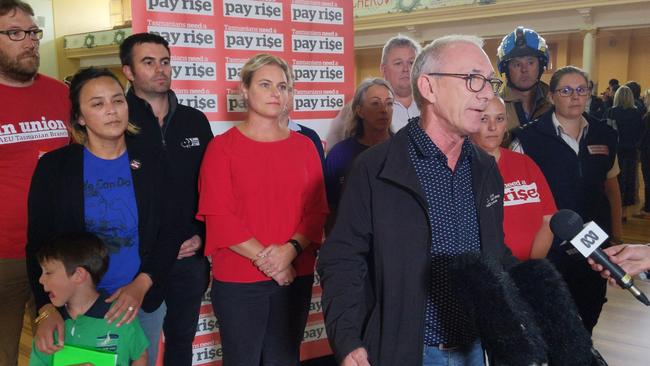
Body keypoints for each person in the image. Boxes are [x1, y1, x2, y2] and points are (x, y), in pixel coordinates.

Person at [318, 35, 516, 366]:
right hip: (408, 350)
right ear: (428, 87)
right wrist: (348, 338)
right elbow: (342, 260)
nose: (486, 93)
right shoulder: (374, 168)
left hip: (477, 348)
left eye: (491, 82)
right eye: (473, 79)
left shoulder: (485, 169)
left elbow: (496, 253)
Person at [26, 68, 179, 365]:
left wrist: (141, 285)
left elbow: (170, 231)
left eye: (117, 101)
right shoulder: (55, 167)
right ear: (80, 117)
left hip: (138, 302)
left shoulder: (153, 160)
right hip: (73, 305)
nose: (111, 111)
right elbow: (38, 245)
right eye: (97, 104)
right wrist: (45, 308)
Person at [196, 54, 328, 365]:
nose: (275, 93)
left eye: (282, 86)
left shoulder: (305, 146)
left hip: (295, 274)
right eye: (265, 84)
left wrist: (289, 252)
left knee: (284, 359)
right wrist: (273, 262)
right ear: (244, 90)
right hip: (240, 280)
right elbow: (219, 215)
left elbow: (316, 211)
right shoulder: (221, 148)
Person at [119, 32, 213, 366]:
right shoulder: (118, 121)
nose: (160, 69)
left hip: (189, 256)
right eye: (148, 62)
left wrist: (203, 237)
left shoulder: (194, 121)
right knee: (136, 351)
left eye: (165, 61)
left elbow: (211, 188)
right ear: (128, 71)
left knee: (181, 342)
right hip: (137, 260)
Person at [512, 65, 622, 335]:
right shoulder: (528, 138)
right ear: (551, 96)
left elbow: (611, 187)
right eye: (566, 90)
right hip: (548, 245)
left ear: (589, 94)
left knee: (589, 312)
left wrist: (616, 237)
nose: (575, 96)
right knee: (549, 319)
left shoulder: (604, 134)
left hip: (593, 243)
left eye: (581, 90)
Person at [0, 1, 70, 364]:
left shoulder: (62, 94)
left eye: (33, 32)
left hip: (60, 253)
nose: (29, 42)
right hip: (4, 256)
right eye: (15, 33)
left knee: (63, 353)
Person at [29, 232, 149, 366]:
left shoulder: (120, 315)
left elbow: (140, 355)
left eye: (48, 273)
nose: (40, 280)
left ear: (79, 275)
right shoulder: (49, 328)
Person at [470, 97, 556, 260]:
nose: (493, 127)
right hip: (485, 274)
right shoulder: (458, 170)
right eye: (483, 119)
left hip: (528, 273)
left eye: (499, 118)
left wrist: (531, 268)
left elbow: (548, 219)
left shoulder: (525, 163)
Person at [325, 34, 420, 151]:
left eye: (411, 62)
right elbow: (334, 149)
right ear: (383, 69)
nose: (406, 69)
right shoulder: (358, 107)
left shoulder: (432, 104)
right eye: (398, 63)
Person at [325, 78, 393, 219]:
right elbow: (329, 205)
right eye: (375, 103)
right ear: (360, 111)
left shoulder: (405, 150)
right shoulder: (339, 154)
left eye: (389, 103)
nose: (384, 110)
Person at [496, 26, 552, 135]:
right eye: (517, 64)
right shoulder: (494, 106)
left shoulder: (555, 101)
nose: (524, 70)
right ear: (506, 69)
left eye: (530, 63)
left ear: (540, 66)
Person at [606, 85, 643, 220]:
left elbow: (609, 131)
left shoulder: (612, 112)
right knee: (629, 180)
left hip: (616, 150)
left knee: (616, 180)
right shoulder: (637, 113)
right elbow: (640, 132)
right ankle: (625, 212)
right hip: (632, 150)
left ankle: (615, 210)